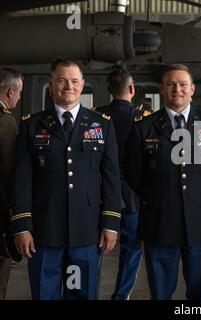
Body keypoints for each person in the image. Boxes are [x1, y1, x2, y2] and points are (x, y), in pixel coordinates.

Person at [10, 58, 122, 300]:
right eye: (61, 80)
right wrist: (21, 226)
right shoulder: (32, 126)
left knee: (82, 294)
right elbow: (20, 180)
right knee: (44, 294)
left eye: (74, 81)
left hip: (87, 230)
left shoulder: (101, 125)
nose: (68, 86)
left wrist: (111, 223)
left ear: (82, 85)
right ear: (51, 85)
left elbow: (112, 177)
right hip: (43, 231)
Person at [124, 64, 201, 300]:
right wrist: (158, 194)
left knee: (200, 294)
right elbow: (132, 172)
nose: (177, 89)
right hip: (160, 221)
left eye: (182, 84)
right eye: (171, 84)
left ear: (192, 89)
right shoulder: (143, 127)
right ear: (162, 89)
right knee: (160, 293)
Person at [95, 68, 143, 300]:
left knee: (94, 248)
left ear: (108, 90)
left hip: (100, 195)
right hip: (132, 196)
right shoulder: (142, 118)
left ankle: (88, 291)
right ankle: (121, 296)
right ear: (132, 89)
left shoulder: (96, 116)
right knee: (131, 249)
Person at [0, 67, 23, 299]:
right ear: (9, 92)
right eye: (18, 93)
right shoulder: (6, 124)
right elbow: (8, 175)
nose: (19, 97)